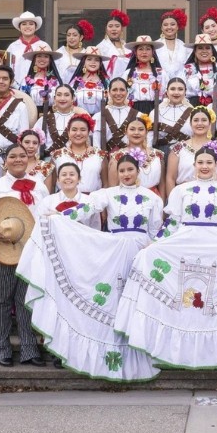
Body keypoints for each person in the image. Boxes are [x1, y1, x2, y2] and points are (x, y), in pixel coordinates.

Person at [114, 146, 217, 369]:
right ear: (194, 165)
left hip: (216, 238)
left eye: (209, 162)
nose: (205, 166)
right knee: (147, 256)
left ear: (216, 165)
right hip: (186, 237)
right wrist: (157, 241)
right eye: (201, 162)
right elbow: (173, 222)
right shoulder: (181, 190)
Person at [19, 155, 159, 380]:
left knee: (139, 301)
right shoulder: (107, 194)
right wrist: (61, 217)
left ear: (137, 171)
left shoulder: (152, 198)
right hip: (116, 251)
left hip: (141, 252)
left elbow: (155, 230)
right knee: (114, 301)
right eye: (122, 170)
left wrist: (152, 251)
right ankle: (110, 355)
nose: (126, 174)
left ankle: (140, 348)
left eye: (130, 170)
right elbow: (86, 208)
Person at [0, 143, 49, 368]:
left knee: (26, 300)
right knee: (1, 299)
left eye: (22, 156)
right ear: (5, 161)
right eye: (13, 156)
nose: (18, 159)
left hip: (31, 249)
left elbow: (45, 217)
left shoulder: (39, 187)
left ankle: (29, 348)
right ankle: (1, 349)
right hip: (3, 249)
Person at [165, 107, 217, 198]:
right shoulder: (179, 148)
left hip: (213, 197)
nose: (199, 123)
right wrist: (173, 201)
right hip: (185, 196)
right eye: (196, 120)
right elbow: (170, 178)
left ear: (210, 124)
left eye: (204, 120)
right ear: (190, 124)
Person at [51, 114, 107, 195]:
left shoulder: (99, 155)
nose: (78, 133)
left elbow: (105, 184)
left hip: (92, 201)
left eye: (83, 130)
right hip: (64, 202)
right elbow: (52, 185)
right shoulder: (57, 155)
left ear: (89, 132)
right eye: (74, 130)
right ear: (68, 132)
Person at [36, 161, 100, 231]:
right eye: (64, 175)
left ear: (79, 179)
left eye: (72, 174)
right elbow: (40, 226)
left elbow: (96, 229)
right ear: (58, 179)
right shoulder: (47, 201)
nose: (68, 177)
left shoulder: (89, 201)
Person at [108, 116, 164, 194]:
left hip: (154, 198)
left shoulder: (157, 155)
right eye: (132, 129)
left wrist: (162, 201)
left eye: (141, 129)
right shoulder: (118, 157)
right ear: (126, 132)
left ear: (146, 132)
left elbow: (162, 184)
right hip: (127, 199)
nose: (136, 133)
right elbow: (112, 188)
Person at [33, 85, 89, 152]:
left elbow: (87, 142)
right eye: (59, 95)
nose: (62, 98)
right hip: (49, 159)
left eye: (66, 95)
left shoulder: (80, 120)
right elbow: (34, 140)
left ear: (73, 98)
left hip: (74, 159)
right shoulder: (44, 119)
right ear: (54, 99)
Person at [181, 33, 217, 107]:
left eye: (207, 48)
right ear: (195, 52)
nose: (204, 51)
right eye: (200, 48)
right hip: (193, 107)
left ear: (212, 51)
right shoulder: (186, 69)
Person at [122, 35, 166, 114]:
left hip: (156, 110)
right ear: (135, 52)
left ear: (153, 52)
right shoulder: (128, 73)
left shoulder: (161, 73)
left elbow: (166, 94)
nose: (144, 52)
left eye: (148, 49)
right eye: (140, 49)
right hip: (133, 110)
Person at [92, 77, 137, 151]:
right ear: (109, 92)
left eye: (122, 90)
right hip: (106, 159)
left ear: (127, 92)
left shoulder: (138, 115)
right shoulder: (98, 116)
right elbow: (96, 146)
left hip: (130, 159)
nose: (118, 93)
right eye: (114, 90)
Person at [152, 77, 193, 153]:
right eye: (172, 89)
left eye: (180, 89)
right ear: (167, 91)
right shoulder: (156, 112)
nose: (176, 92)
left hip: (187, 151)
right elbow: (150, 137)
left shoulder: (193, 112)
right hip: (163, 152)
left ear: (185, 92)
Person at [66, 45, 110, 116]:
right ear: (84, 62)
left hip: (101, 120)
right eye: (89, 59)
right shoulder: (75, 81)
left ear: (100, 63)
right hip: (78, 120)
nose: (93, 62)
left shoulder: (106, 82)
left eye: (97, 60)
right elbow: (68, 102)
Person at [7, 11, 50, 81]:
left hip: (39, 86)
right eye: (24, 24)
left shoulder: (43, 45)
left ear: (35, 27)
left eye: (31, 24)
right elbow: (7, 68)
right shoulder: (13, 47)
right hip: (16, 86)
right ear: (19, 27)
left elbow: (50, 67)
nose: (27, 27)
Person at [19, 45, 64, 112]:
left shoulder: (56, 81)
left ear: (50, 60)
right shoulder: (26, 81)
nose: (42, 59)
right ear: (34, 60)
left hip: (52, 115)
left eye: (46, 56)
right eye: (39, 56)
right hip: (31, 115)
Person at [97, 9, 132, 78]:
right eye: (110, 26)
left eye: (117, 26)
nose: (114, 29)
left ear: (122, 28)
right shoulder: (100, 47)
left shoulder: (127, 47)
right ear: (106, 29)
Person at [156, 8, 188, 77]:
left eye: (172, 24)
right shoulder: (155, 45)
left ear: (177, 27)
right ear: (161, 28)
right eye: (165, 25)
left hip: (180, 84)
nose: (169, 27)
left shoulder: (184, 46)